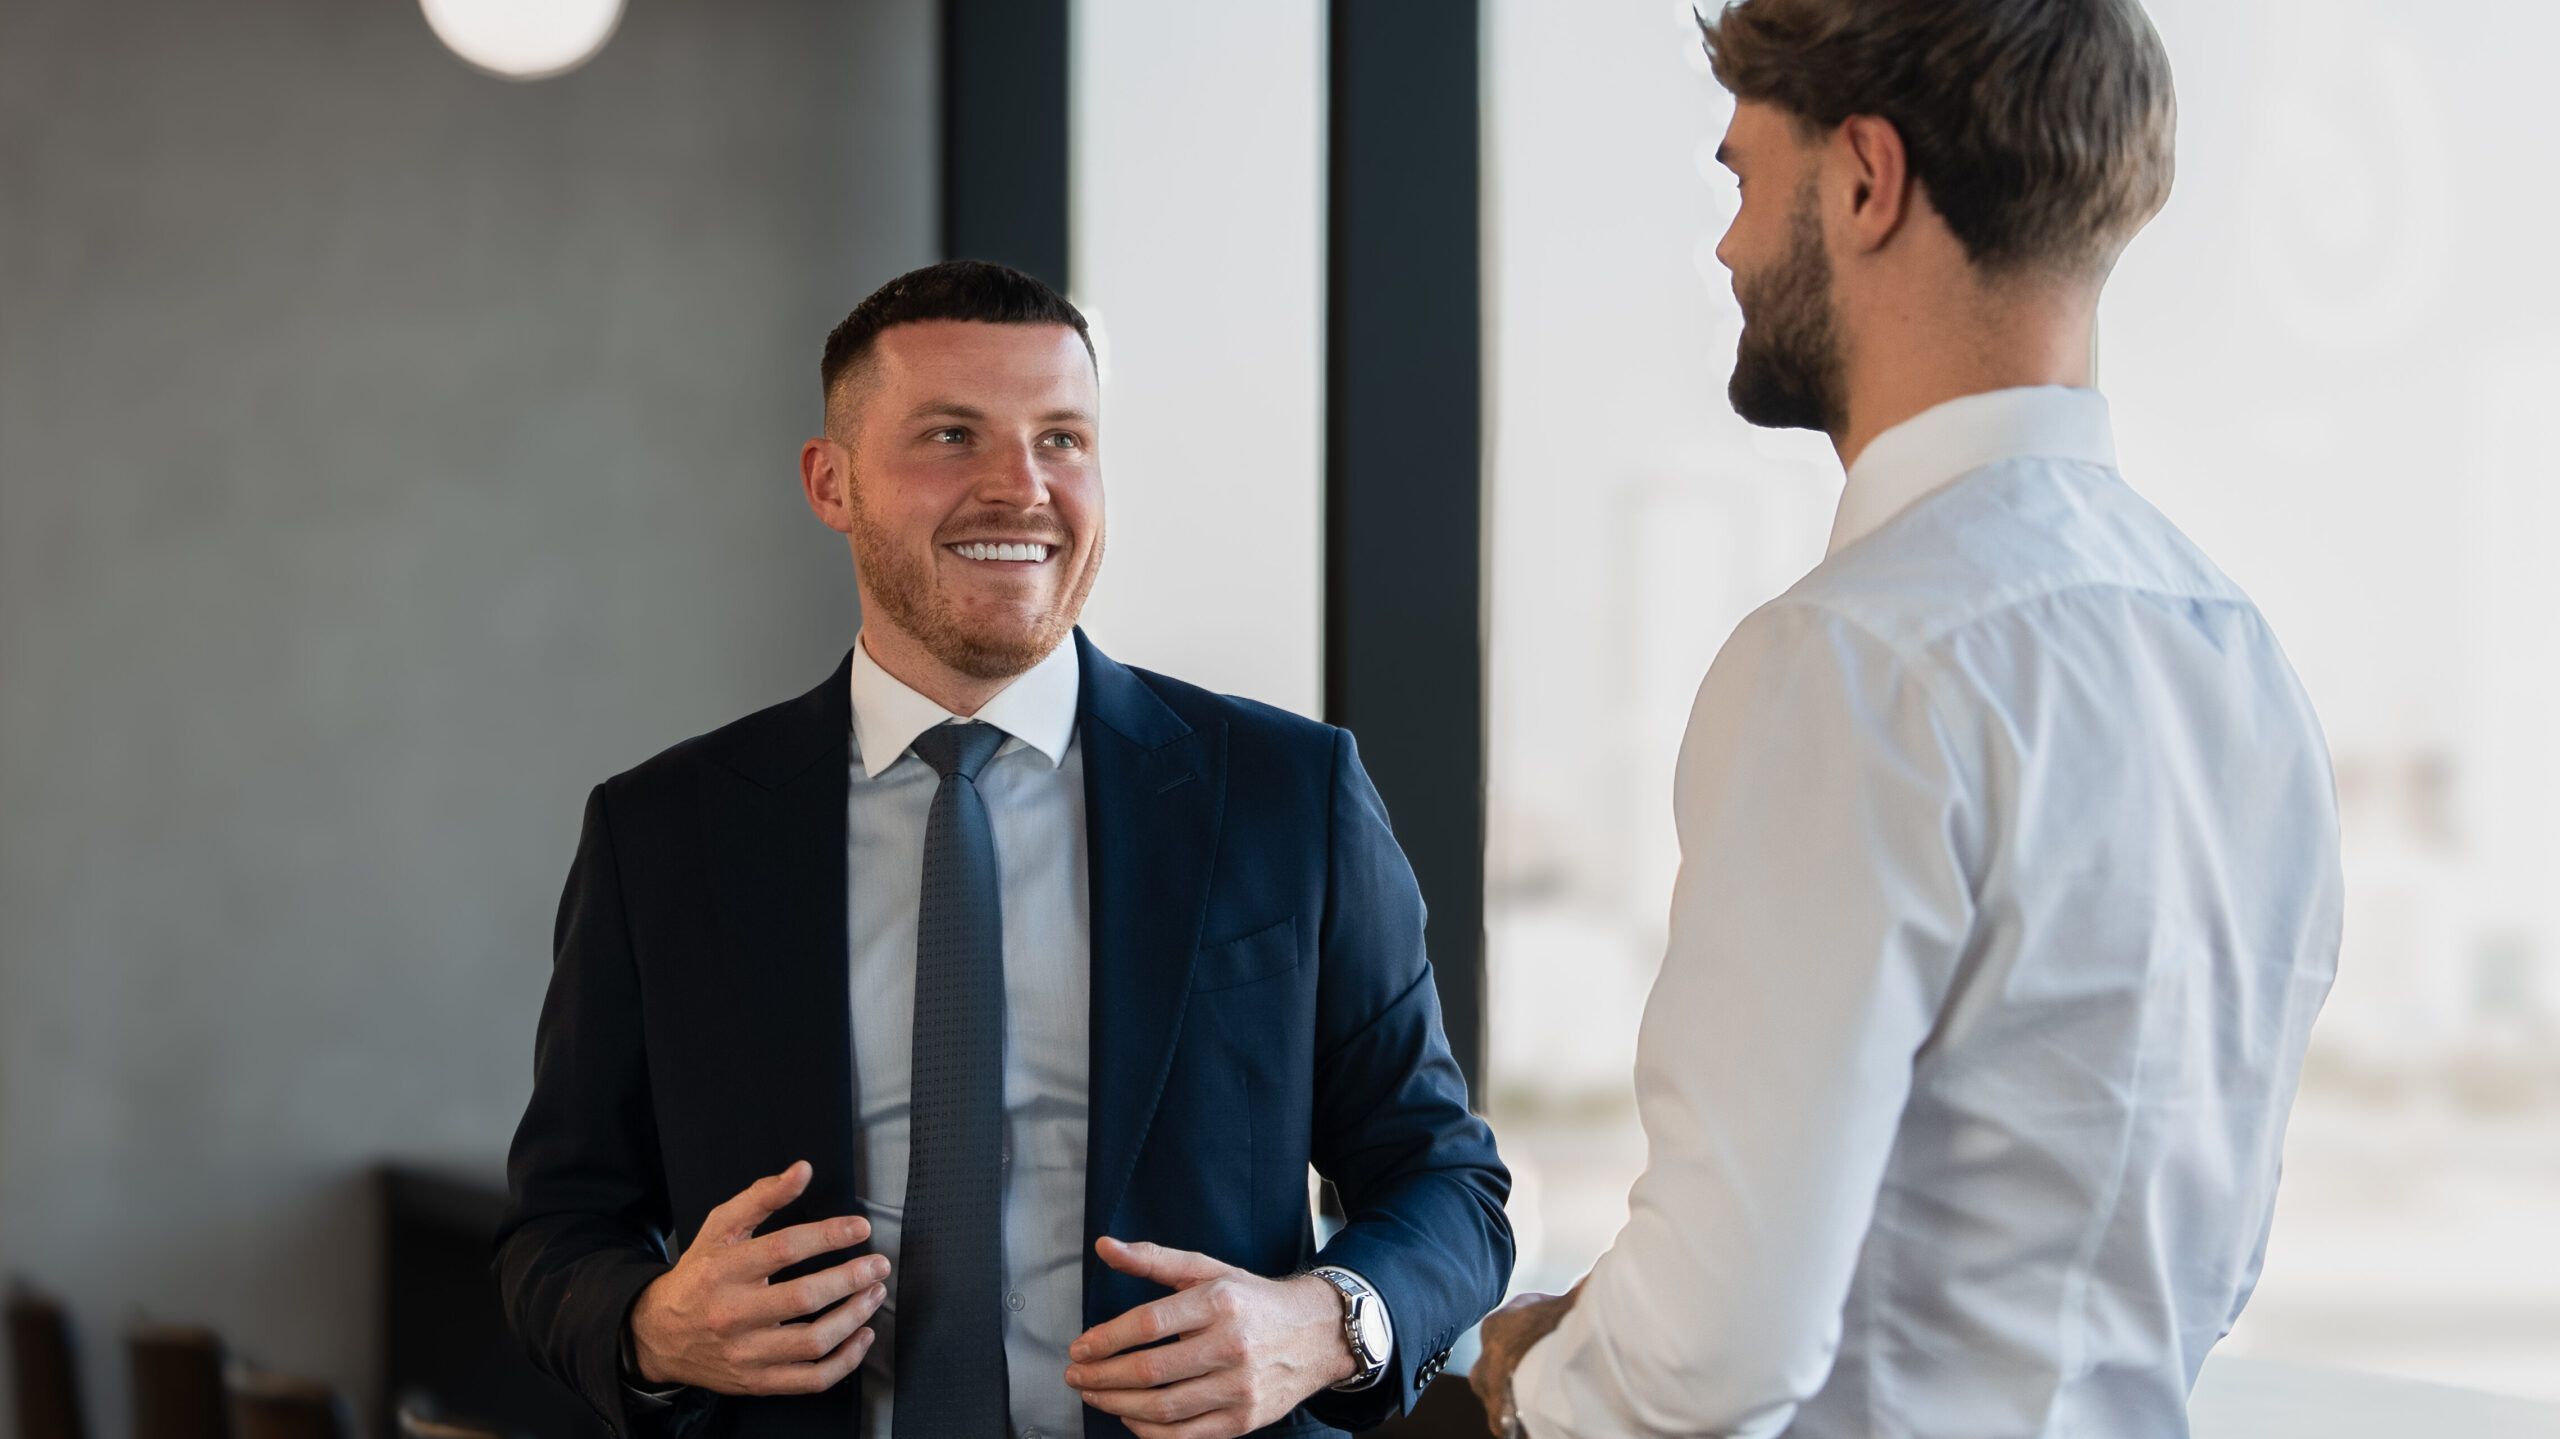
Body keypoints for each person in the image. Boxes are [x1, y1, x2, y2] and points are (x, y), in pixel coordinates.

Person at [1469, 2, 2340, 1436]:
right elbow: (2207, 1263)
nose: (1726, 246)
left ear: (1867, 180)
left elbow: (1714, 1346)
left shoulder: (1851, 661)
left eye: (1743, 178)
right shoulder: (2238, 659)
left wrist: (1529, 1382)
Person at [495, 260, 1512, 1439]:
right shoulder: (664, 832)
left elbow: (1447, 1183)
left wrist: (1326, 1321)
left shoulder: (1288, 794)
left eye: (1061, 439)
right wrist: (650, 1323)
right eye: (951, 435)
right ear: (831, 482)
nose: (1020, 487)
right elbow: (556, 1229)